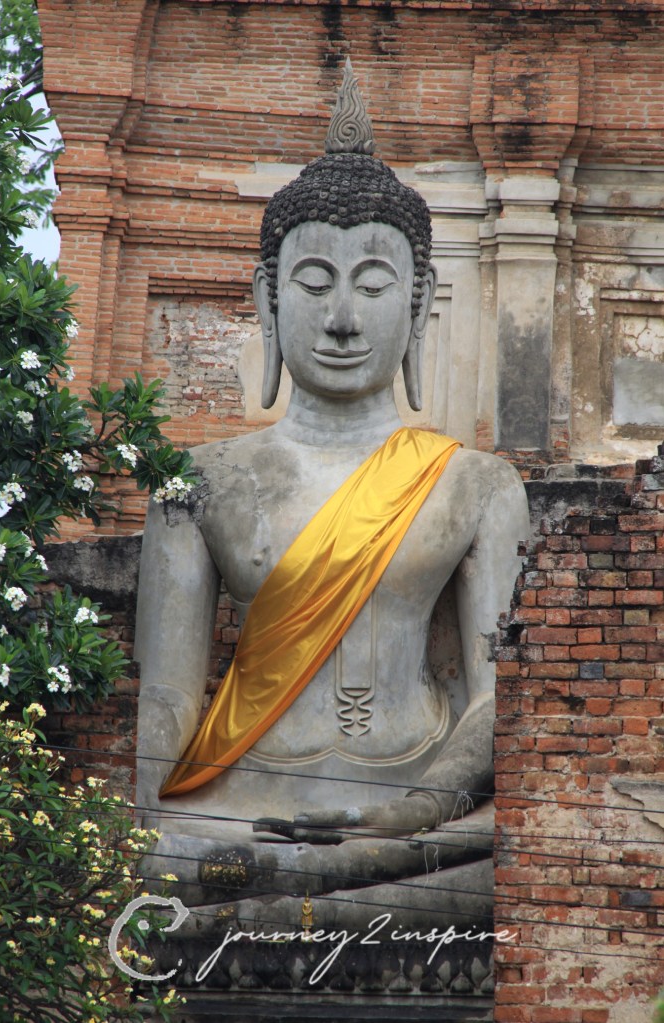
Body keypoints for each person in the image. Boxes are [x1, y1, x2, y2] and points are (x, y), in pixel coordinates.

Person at [134, 63, 529, 931]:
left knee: (524, 868)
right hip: (243, 815)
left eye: (374, 285)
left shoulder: (478, 484)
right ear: (267, 299)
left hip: (419, 822)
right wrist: (138, 810)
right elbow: (167, 696)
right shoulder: (197, 483)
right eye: (315, 283)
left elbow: (499, 699)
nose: (343, 318)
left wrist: (408, 812)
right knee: (165, 868)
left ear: (418, 305)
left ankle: (362, 862)